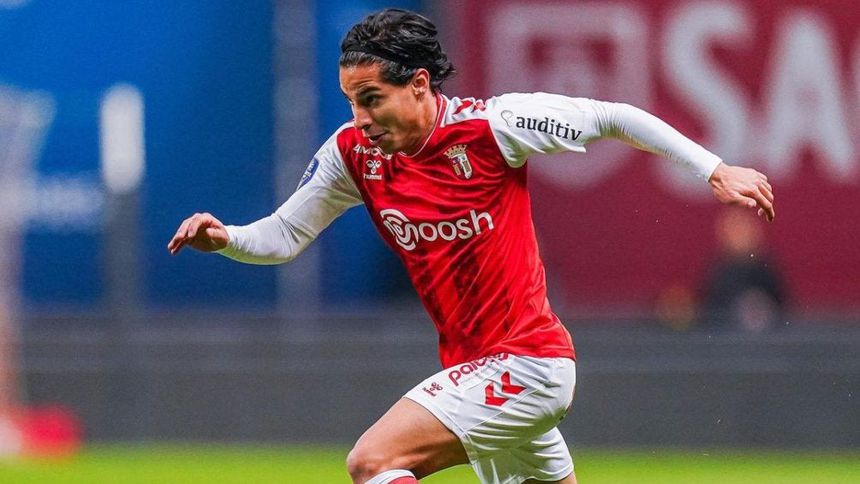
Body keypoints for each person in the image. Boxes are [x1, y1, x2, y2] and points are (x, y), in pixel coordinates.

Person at [167, 9, 775, 484]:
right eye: (352, 101)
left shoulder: (493, 128)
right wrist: (226, 238)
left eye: (372, 99)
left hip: (527, 364)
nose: (360, 117)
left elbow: (613, 116)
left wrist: (714, 169)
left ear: (419, 84)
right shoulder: (354, 155)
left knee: (373, 461)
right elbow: (284, 235)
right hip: (477, 373)